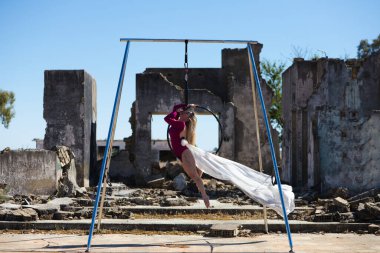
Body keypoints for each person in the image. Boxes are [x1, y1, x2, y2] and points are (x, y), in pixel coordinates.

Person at [164, 103, 210, 208]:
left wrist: (180, 110)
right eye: (182, 111)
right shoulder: (177, 122)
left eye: (184, 112)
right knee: (194, 176)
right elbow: (175, 108)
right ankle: (200, 173)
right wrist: (186, 105)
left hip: (183, 152)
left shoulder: (179, 124)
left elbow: (167, 118)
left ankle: (205, 196)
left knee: (195, 177)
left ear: (187, 116)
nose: (181, 112)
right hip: (181, 154)